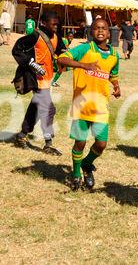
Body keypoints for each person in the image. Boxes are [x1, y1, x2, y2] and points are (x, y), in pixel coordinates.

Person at [57, 18, 121, 191]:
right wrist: (82, 65)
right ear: (91, 32)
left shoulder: (115, 55)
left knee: (101, 145)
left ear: (109, 33)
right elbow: (62, 59)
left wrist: (116, 86)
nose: (100, 31)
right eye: (96, 28)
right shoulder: (85, 48)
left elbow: (112, 74)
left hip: (101, 107)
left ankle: (86, 163)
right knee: (80, 142)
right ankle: (76, 174)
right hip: (81, 105)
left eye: (104, 28)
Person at [13, 11, 66, 155]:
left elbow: (62, 51)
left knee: (35, 107)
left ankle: (22, 135)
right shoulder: (35, 36)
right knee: (48, 109)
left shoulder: (56, 37)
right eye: (53, 23)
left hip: (47, 79)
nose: (56, 26)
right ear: (43, 23)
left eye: (57, 23)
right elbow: (16, 49)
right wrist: (32, 63)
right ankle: (48, 143)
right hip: (35, 79)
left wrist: (67, 59)